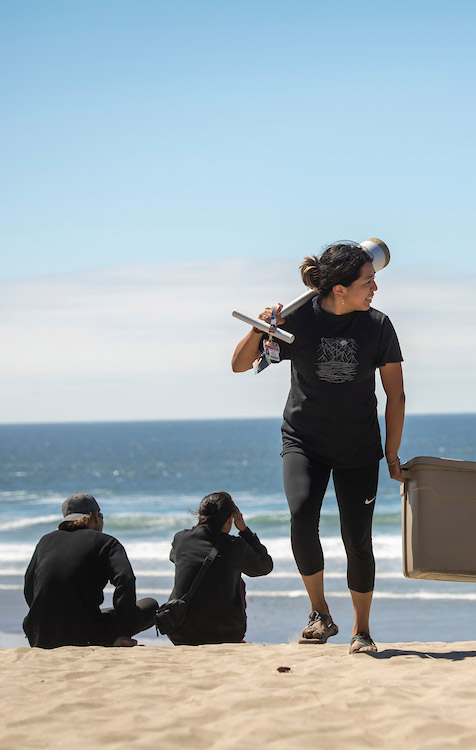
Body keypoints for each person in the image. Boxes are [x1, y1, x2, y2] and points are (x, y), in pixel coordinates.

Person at [231, 241, 406, 654]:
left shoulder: (378, 325)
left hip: (359, 446)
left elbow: (395, 395)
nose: (375, 288)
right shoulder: (297, 320)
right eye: (368, 281)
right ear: (340, 289)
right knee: (301, 517)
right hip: (304, 440)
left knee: (356, 539)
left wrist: (392, 452)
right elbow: (239, 364)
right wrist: (260, 328)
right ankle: (320, 613)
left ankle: (361, 630)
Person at [23, 493, 157, 648]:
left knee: (103, 613)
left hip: (40, 635)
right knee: (150, 605)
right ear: (93, 516)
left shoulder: (45, 541)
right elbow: (125, 580)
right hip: (85, 635)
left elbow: (29, 584)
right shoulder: (107, 542)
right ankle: (117, 639)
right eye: (100, 515)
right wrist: (123, 630)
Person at [166, 492, 273, 646]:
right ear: (231, 518)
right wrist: (245, 531)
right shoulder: (235, 546)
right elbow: (265, 566)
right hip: (226, 634)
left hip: (180, 632)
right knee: (238, 581)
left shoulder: (180, 539)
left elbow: (174, 557)